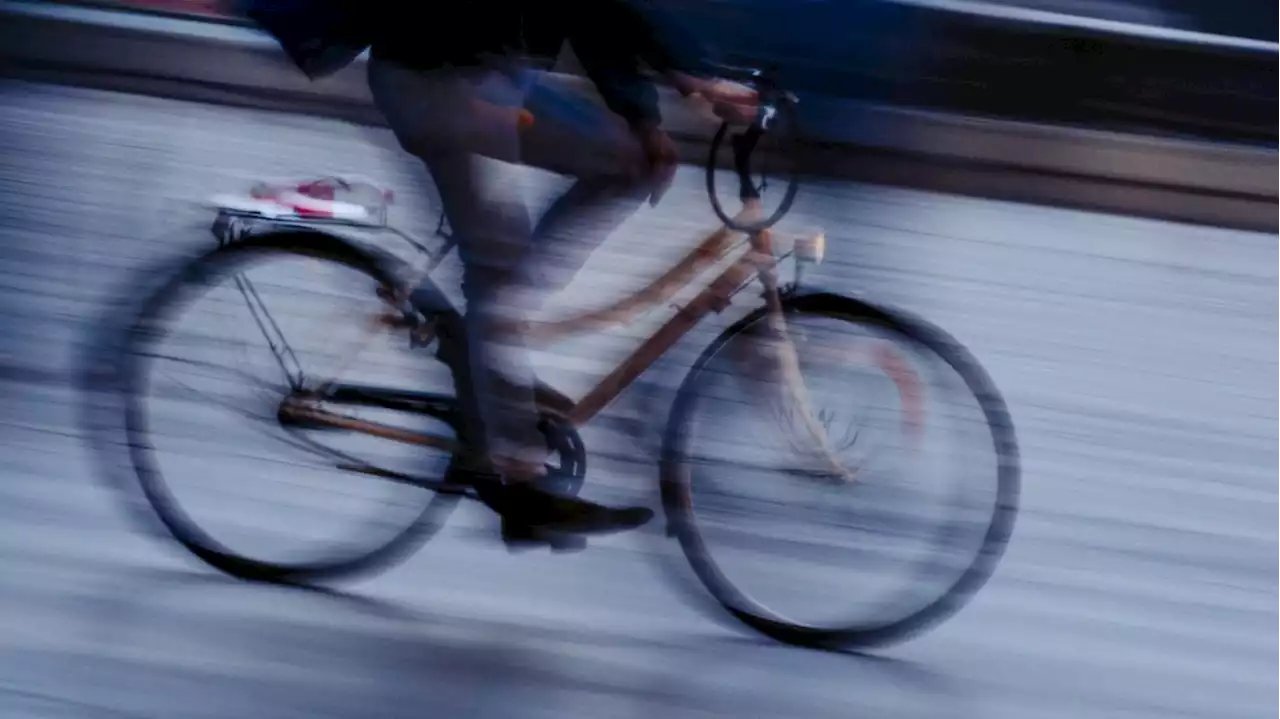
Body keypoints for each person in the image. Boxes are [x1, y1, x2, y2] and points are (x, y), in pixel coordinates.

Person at [364, 0, 757, 548]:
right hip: (442, 80)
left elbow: (593, 14)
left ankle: (492, 367)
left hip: (466, 73)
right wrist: (692, 74)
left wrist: (646, 113)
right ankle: (519, 471)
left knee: (503, 261)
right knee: (622, 169)